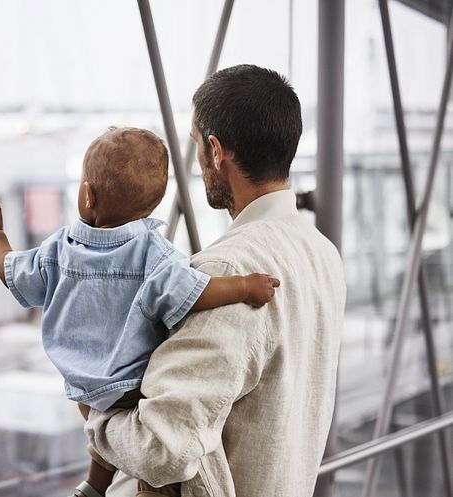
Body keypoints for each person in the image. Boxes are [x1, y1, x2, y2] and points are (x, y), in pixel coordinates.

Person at [0, 126, 281, 497]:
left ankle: (94, 485)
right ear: (152, 205)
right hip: (131, 386)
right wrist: (244, 286)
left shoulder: (60, 248)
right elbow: (197, 291)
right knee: (154, 446)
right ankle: (144, 489)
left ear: (88, 195)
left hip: (80, 388)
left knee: (103, 425)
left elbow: (14, 275)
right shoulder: (153, 256)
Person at [82, 65, 346, 497]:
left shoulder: (229, 269)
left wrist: (98, 417)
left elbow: (161, 447)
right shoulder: (322, 253)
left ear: (216, 150)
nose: (198, 161)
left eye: (195, 146)